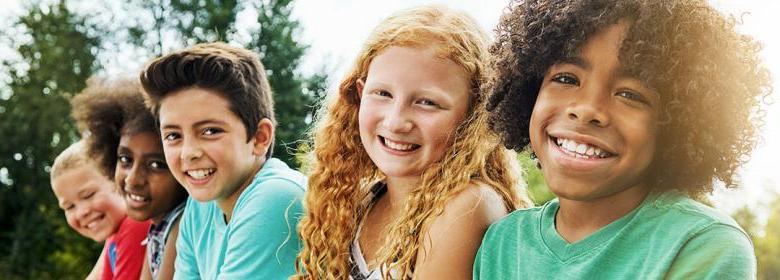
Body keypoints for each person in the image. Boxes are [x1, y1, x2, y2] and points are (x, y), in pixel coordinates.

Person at [475, 0, 772, 278]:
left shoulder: (703, 244)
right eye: (566, 79)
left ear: (676, 125)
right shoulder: (503, 241)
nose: (587, 110)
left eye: (630, 95)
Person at [294, 5, 529, 279]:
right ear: (360, 94)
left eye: (427, 102)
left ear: (473, 115)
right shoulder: (364, 200)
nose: (395, 122)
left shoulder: (466, 205)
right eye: (382, 93)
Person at [139, 42, 306, 279]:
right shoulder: (200, 207)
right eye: (173, 135)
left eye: (210, 131)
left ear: (260, 137)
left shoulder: (277, 198)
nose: (188, 153)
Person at [71, 77, 189, 280]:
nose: (133, 180)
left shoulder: (182, 222)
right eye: (125, 159)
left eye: (156, 165)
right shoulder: (157, 227)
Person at [50, 141, 150, 280]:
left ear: (120, 181)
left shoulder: (135, 225)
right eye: (69, 207)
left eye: (88, 195)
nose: (81, 212)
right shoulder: (115, 237)